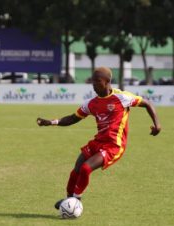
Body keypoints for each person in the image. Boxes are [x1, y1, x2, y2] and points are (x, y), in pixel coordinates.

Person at [36, 67, 161, 209]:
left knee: (85, 168)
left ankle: (76, 202)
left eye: (98, 81)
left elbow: (148, 103)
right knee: (77, 167)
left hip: (114, 146)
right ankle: (69, 200)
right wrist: (52, 122)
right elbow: (73, 118)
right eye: (93, 81)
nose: (94, 85)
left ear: (107, 81)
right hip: (98, 142)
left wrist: (157, 125)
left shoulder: (122, 98)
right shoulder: (92, 103)